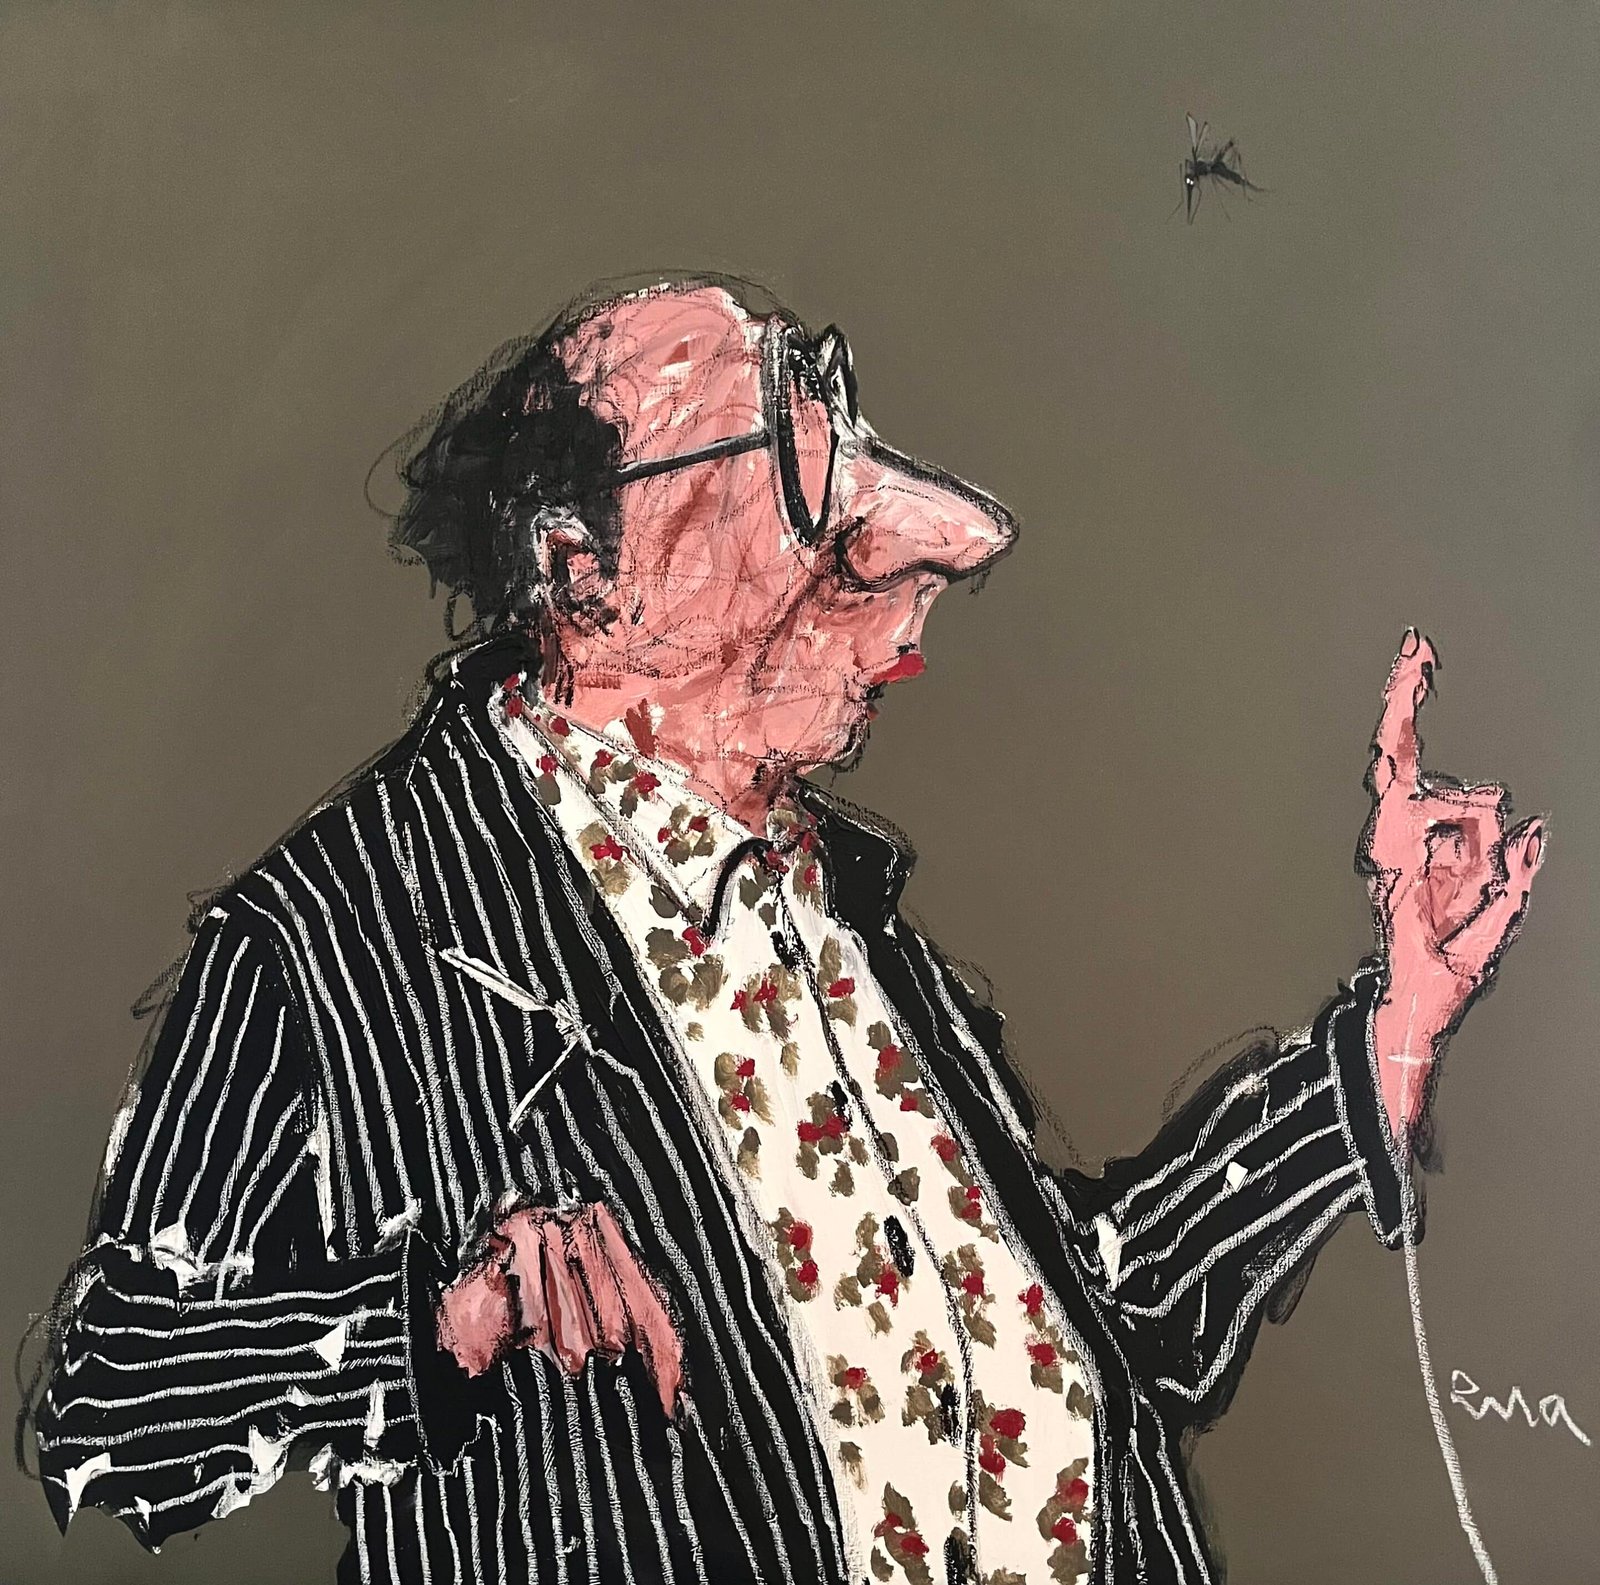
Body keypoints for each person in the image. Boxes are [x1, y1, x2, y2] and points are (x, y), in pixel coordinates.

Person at [28, 275, 1545, 1584]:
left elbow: (1079, 1315)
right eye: (809, 504)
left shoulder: (829, 890)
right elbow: (101, 1406)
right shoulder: (337, 935)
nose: (907, 584)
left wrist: (1388, 1032)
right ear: (583, 568)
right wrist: (432, 1323)